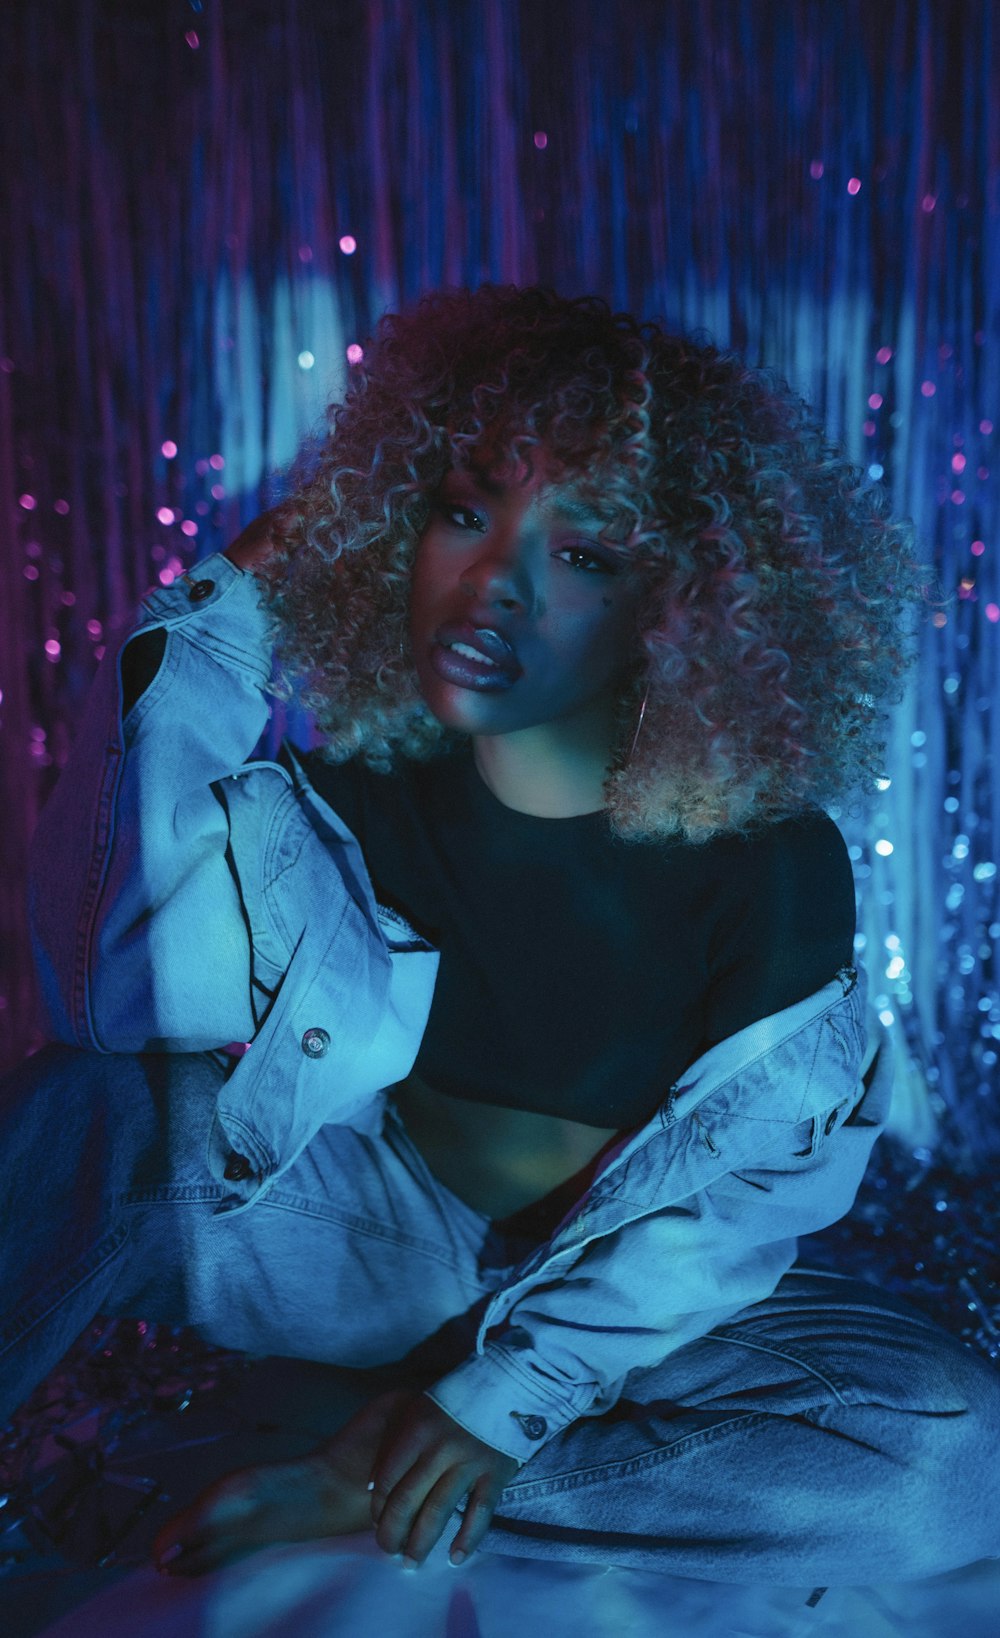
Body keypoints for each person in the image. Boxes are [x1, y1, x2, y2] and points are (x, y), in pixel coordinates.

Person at [7, 284, 1000, 1584]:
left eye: (582, 551)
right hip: (358, 1247)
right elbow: (112, 1005)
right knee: (87, 1108)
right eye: (461, 511)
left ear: (678, 601)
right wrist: (236, 603)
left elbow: (737, 1209)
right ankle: (412, 1459)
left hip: (621, 1307)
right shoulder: (341, 796)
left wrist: (501, 1405)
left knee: (950, 1451)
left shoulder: (770, 859)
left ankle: (381, 1483)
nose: (493, 585)